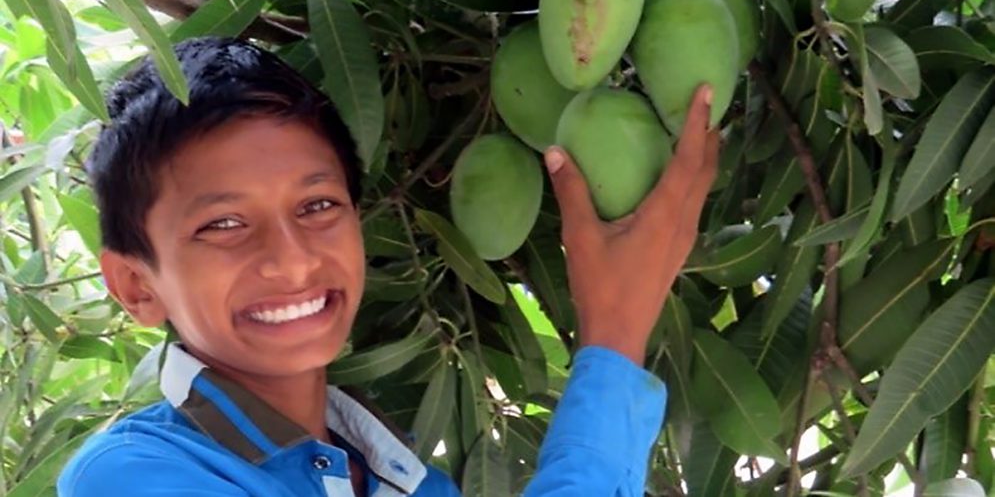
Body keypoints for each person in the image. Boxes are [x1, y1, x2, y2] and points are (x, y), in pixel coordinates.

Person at [56, 36, 719, 496]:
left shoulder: (408, 482)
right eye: (223, 224)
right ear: (136, 285)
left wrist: (615, 337)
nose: (291, 258)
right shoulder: (131, 475)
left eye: (317, 204)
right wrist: (613, 334)